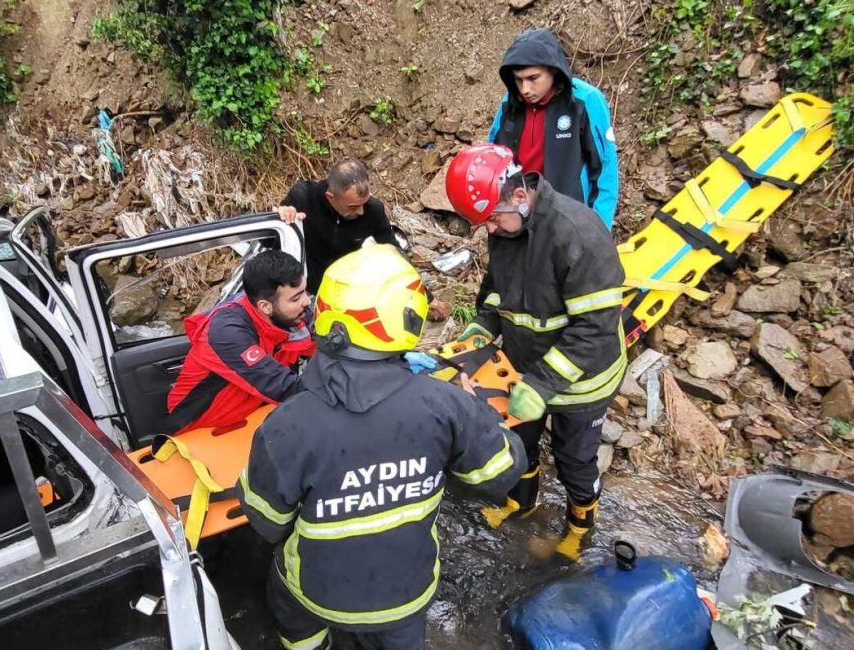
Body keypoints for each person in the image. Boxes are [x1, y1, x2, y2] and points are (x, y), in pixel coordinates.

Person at [236, 245, 526, 649]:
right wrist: (475, 414)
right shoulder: (446, 405)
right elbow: (501, 472)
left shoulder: (286, 424)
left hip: (316, 592)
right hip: (404, 595)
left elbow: (266, 521)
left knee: (289, 604)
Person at [445, 144, 626, 562]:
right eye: (484, 223)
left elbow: (595, 328)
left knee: (574, 460)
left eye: (493, 218)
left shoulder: (577, 234)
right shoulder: (508, 227)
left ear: (519, 195)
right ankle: (520, 503)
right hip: (523, 366)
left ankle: (579, 529)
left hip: (583, 380)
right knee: (519, 443)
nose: (490, 230)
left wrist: (542, 384)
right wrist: (483, 326)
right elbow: (497, 288)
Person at [275, 158, 450, 321]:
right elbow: (272, 242)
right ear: (330, 195)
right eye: (353, 207)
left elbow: (396, 256)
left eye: (363, 203)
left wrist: (426, 297)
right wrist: (282, 215)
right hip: (303, 289)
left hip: (346, 290)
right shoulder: (303, 198)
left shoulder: (373, 210)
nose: (361, 212)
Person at [163, 250, 315, 434]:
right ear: (265, 306)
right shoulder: (228, 332)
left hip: (254, 415)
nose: (307, 302)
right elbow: (281, 385)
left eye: (304, 292)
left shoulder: (292, 314)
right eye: (296, 298)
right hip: (199, 427)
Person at [488, 28, 618, 228]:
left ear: (554, 70)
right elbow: (493, 158)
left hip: (568, 221)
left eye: (533, 78)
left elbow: (604, 169)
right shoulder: (510, 103)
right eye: (518, 79)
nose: (525, 89)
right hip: (518, 218)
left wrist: (598, 230)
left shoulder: (585, 100)